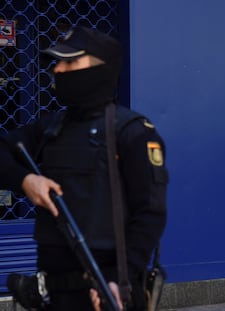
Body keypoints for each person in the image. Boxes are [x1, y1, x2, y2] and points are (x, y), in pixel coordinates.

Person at [0, 26, 168, 310]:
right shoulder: (52, 127)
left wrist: (117, 278)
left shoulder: (132, 132)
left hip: (107, 294)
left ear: (101, 69)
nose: (58, 70)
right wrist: (26, 180)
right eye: (58, 62)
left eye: (70, 61)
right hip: (54, 294)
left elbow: (150, 214)